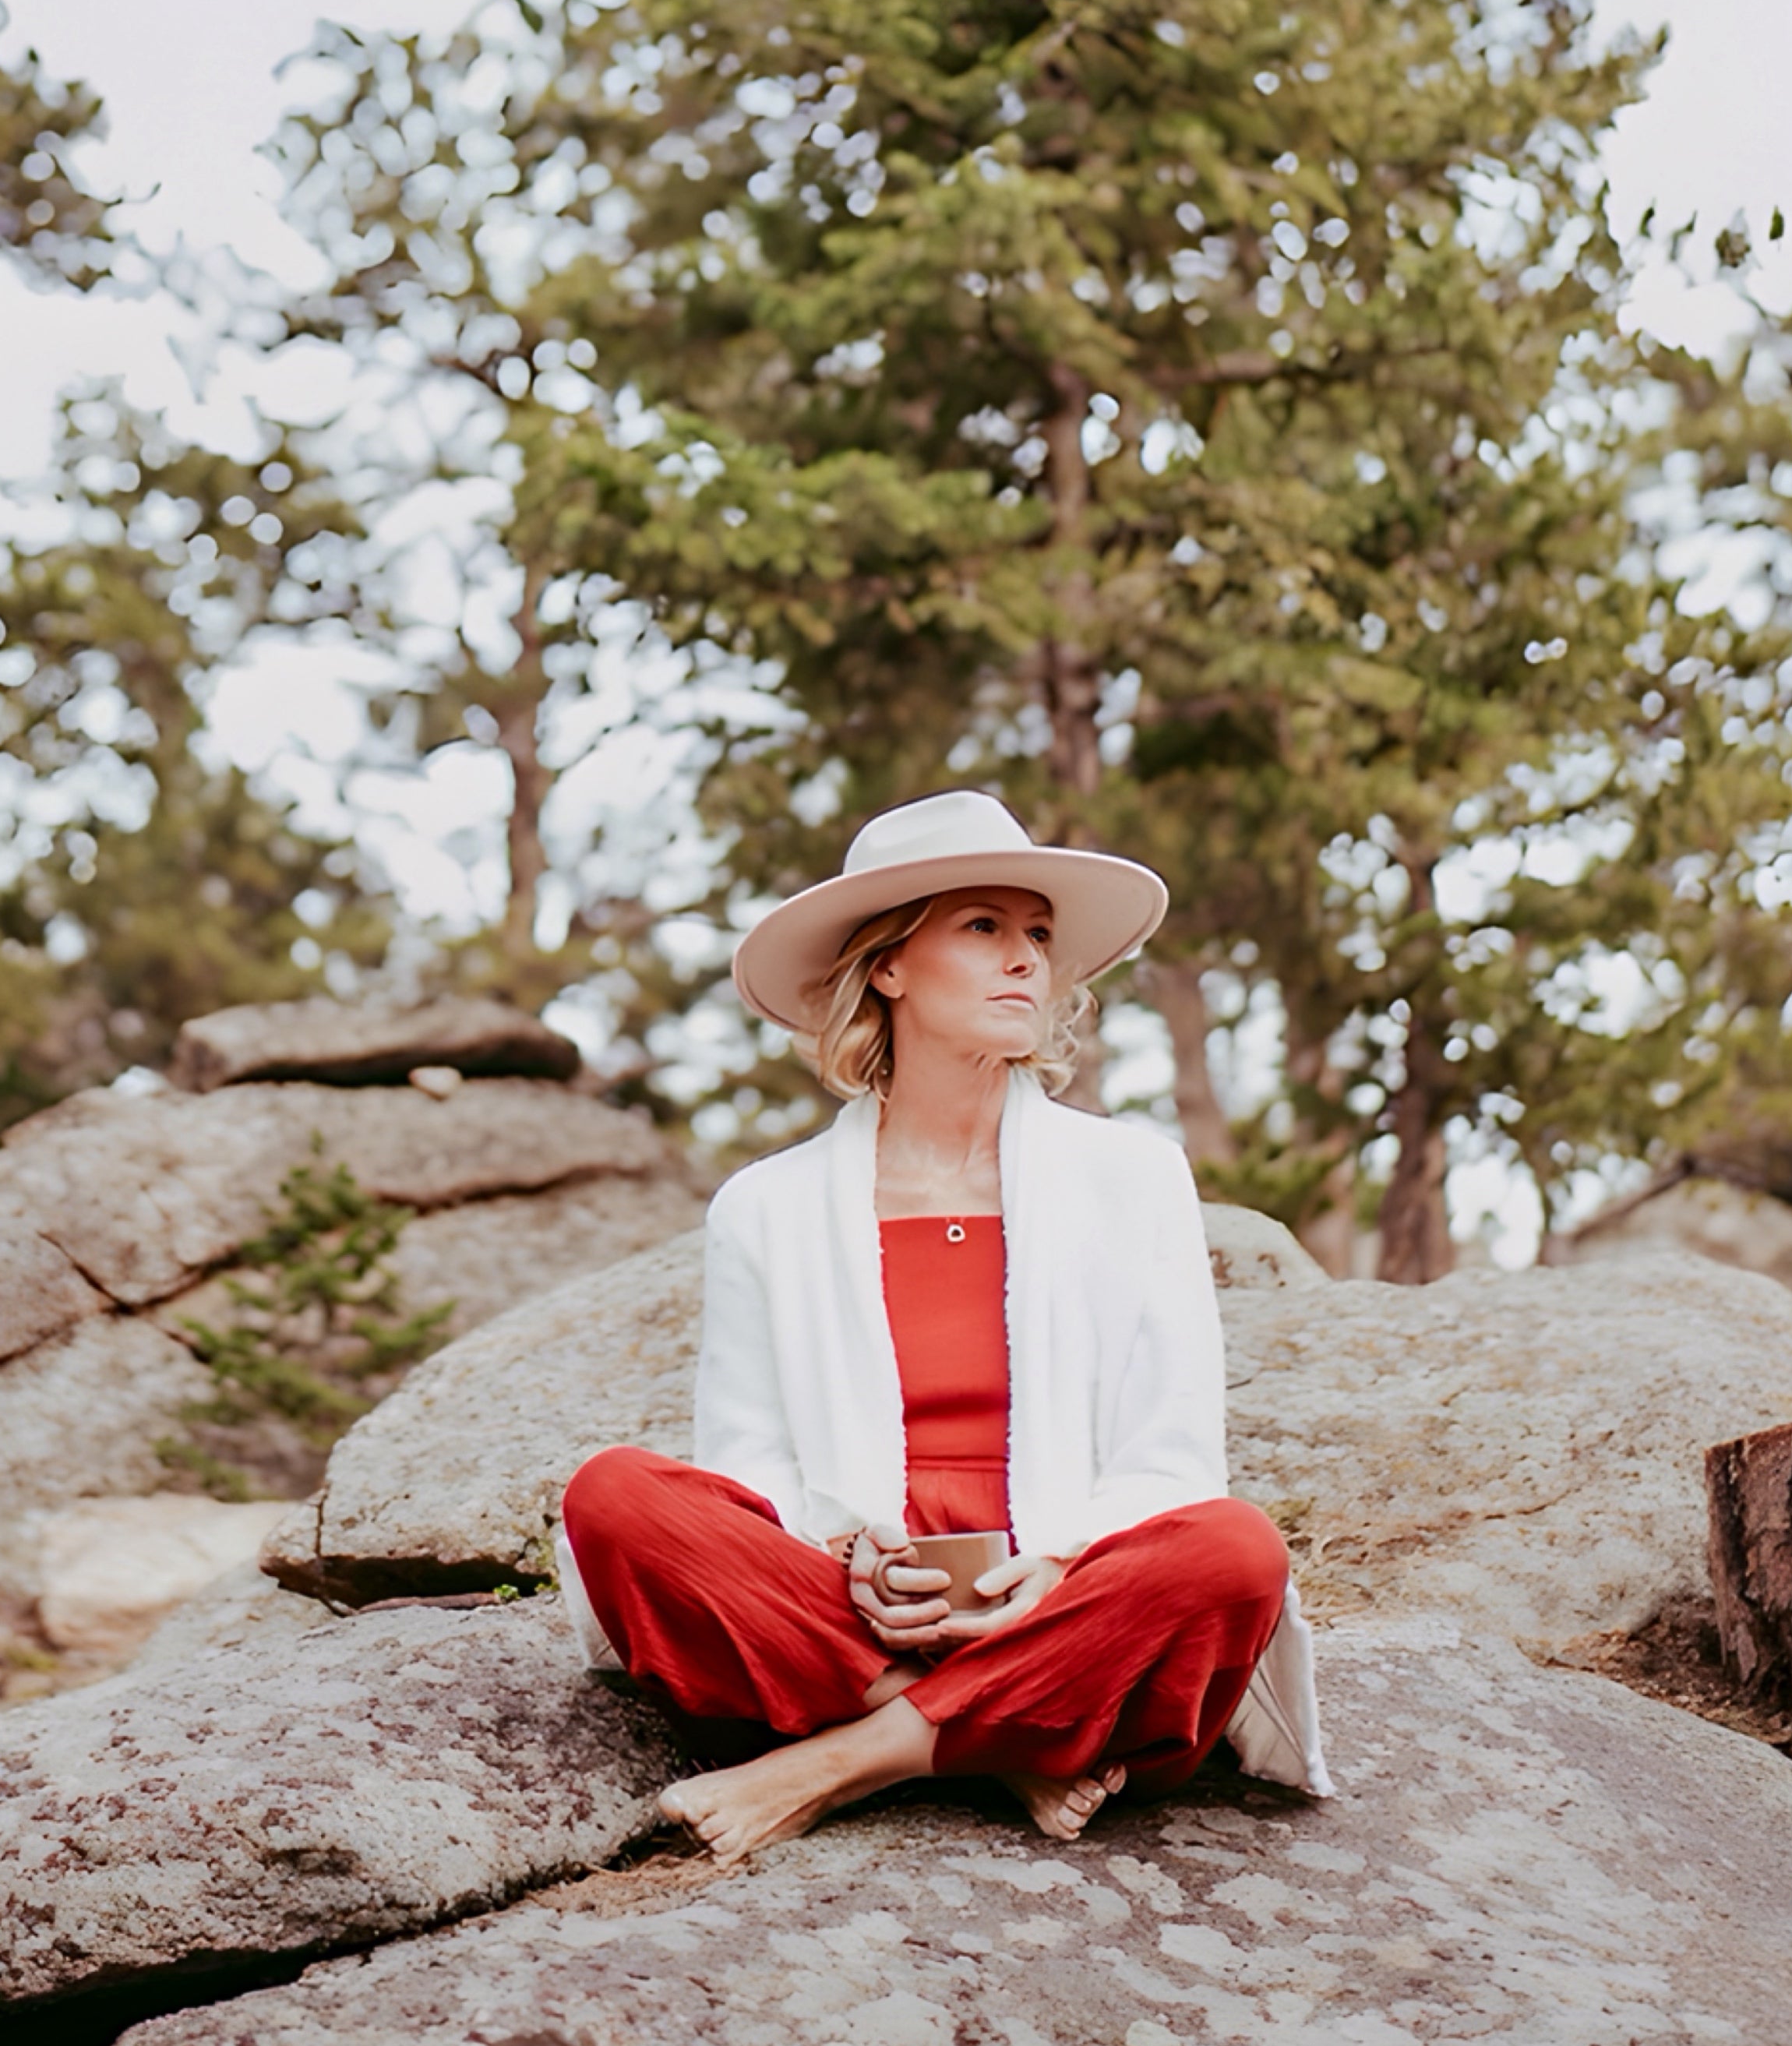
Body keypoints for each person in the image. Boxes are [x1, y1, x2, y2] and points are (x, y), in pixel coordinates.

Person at [557, 791, 1328, 1868]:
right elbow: (748, 1459)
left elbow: (1172, 1455)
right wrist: (846, 1554)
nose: (1026, 960)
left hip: (1066, 1603)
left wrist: (1058, 1567)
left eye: (1039, 935)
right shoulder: (767, 1205)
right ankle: (986, 1737)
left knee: (1230, 1550)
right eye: (983, 928)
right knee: (615, 1497)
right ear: (888, 966)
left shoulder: (1132, 1175)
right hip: (858, 1613)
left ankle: (837, 1762)